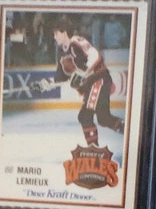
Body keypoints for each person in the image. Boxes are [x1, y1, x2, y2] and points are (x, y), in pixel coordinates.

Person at [31, 18, 124, 146]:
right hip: (91, 85)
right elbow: (61, 77)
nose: (54, 37)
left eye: (56, 33)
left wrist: (82, 74)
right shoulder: (61, 52)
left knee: (85, 116)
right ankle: (127, 129)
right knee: (104, 119)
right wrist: (44, 84)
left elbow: (95, 56)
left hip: (99, 80)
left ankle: (93, 149)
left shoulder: (77, 41)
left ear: (64, 32)